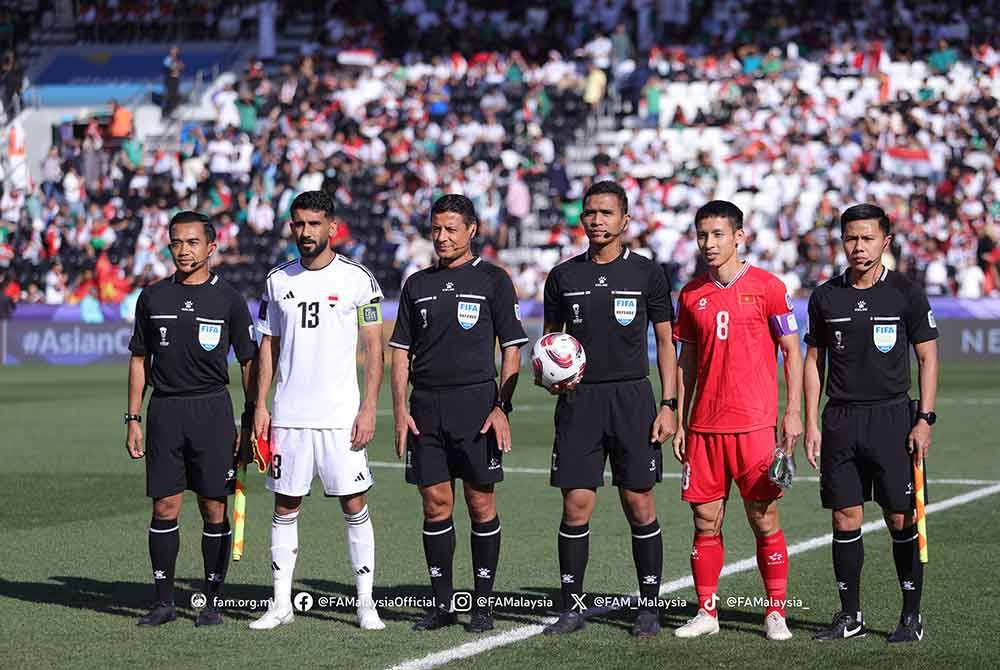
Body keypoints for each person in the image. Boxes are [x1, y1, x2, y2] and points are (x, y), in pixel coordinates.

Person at [540, 180, 677, 638]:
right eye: (589, 213)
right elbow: (550, 343)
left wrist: (669, 403)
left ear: (625, 220)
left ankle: (649, 608)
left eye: (605, 213)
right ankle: (571, 607)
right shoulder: (563, 276)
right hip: (579, 403)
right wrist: (551, 378)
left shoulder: (647, 274)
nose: (596, 220)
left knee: (639, 503)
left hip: (633, 400)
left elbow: (664, 341)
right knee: (576, 505)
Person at [389, 194, 528, 633]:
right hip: (426, 407)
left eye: (451, 229)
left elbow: (511, 350)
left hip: (476, 406)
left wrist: (501, 406)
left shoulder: (493, 279)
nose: (442, 237)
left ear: (472, 231)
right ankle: (443, 604)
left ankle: (482, 605)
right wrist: (399, 411)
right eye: (436, 229)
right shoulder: (417, 284)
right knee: (435, 505)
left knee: (480, 502)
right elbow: (400, 354)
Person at [249, 191, 386, 631]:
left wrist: (368, 408)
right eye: (298, 224)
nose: (305, 233)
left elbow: (373, 347)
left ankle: (365, 602)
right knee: (284, 506)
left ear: (332, 227)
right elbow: (266, 348)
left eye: (313, 224)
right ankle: (280, 603)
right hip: (289, 415)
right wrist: (260, 407)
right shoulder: (276, 281)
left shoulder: (358, 279)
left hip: (339, 416)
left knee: (354, 503)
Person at [804, 203, 939, 643]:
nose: (858, 246)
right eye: (850, 238)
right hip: (841, 419)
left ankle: (911, 616)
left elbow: (927, 356)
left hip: (892, 417)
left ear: (885, 241)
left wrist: (925, 420)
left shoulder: (905, 292)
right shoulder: (825, 296)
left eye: (867, 238)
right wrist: (810, 422)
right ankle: (850, 615)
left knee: (900, 518)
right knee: (844, 518)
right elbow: (813, 361)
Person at [671, 200, 802, 641]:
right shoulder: (691, 294)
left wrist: (793, 412)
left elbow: (791, 352)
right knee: (705, 521)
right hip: (705, 429)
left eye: (718, 235)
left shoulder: (767, 286)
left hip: (754, 427)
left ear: (739, 236)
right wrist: (683, 420)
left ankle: (775, 613)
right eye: (702, 235)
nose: (709, 243)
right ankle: (707, 612)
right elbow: (686, 361)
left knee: (764, 518)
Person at [125, 211, 257, 627]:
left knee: (213, 507)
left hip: (212, 412)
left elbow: (249, 363)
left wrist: (251, 418)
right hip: (164, 410)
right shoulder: (152, 297)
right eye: (177, 243)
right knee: (164, 506)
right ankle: (163, 601)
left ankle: (211, 601)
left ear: (211, 247)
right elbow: (139, 359)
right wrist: (132, 418)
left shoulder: (229, 299)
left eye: (192, 242)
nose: (184, 250)